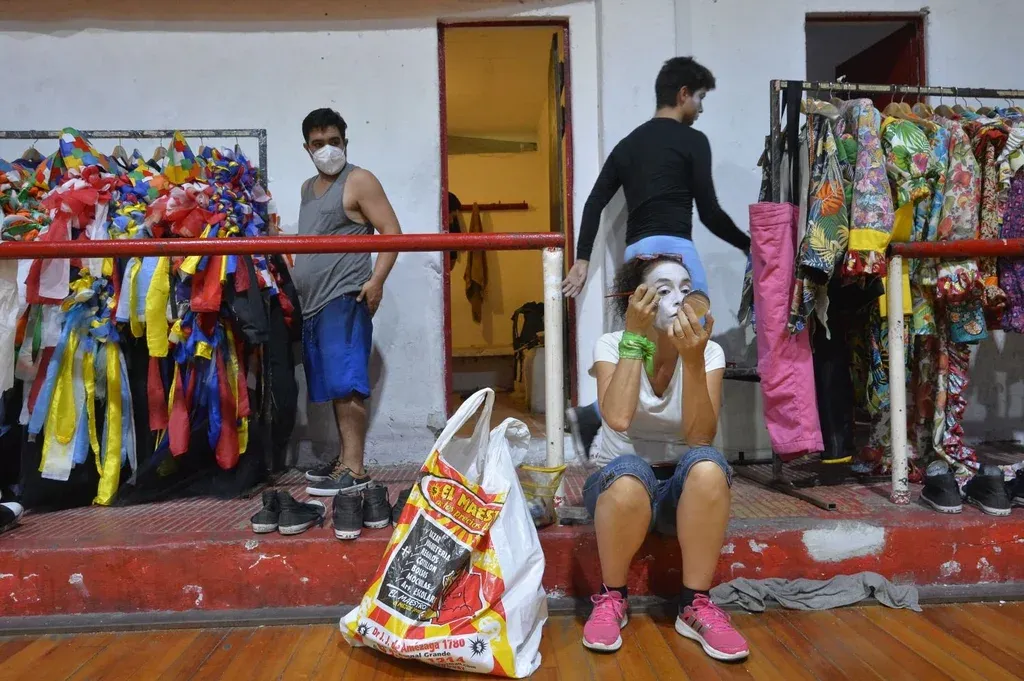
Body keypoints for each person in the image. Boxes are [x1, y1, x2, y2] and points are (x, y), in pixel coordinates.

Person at [561, 56, 750, 460]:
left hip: (637, 259)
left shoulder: (629, 144)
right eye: (699, 98)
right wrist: (749, 245)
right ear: (683, 94)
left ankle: (597, 416)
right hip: (676, 255)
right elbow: (710, 212)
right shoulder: (693, 141)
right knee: (691, 339)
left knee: (645, 346)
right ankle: (686, 437)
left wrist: (582, 259)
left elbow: (594, 202)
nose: (700, 108)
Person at [580, 254, 748, 662]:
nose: (679, 299)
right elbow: (618, 418)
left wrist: (692, 359)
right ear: (637, 300)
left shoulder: (707, 352)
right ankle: (612, 597)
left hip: (679, 493)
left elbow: (700, 436)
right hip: (618, 489)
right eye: (664, 289)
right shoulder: (611, 344)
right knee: (629, 471)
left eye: (686, 289)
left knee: (708, 464)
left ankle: (695, 605)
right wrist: (633, 337)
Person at [290, 108, 402, 497]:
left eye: (334, 142)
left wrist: (377, 281)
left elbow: (392, 231)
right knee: (334, 386)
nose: (327, 150)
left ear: (346, 142)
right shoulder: (307, 188)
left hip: (344, 296)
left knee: (348, 383)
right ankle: (344, 460)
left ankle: (354, 468)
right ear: (307, 148)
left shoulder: (359, 180)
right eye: (318, 143)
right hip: (313, 305)